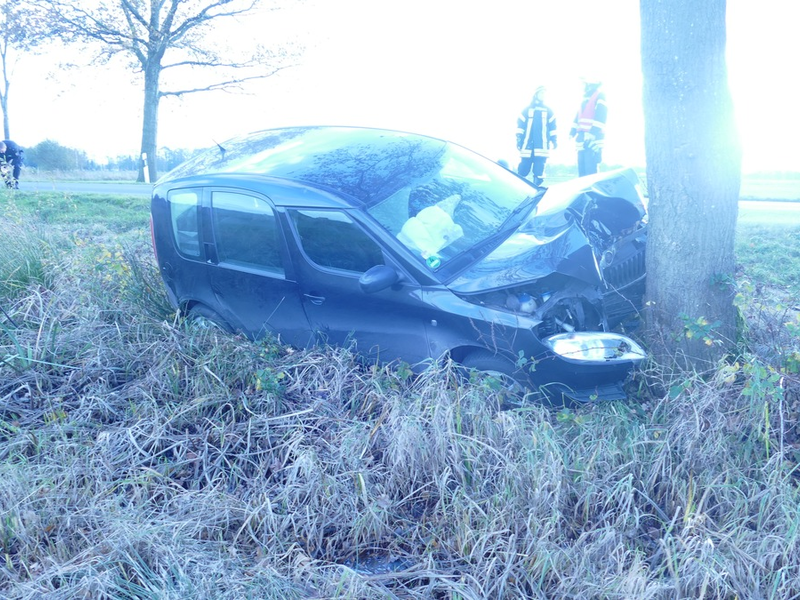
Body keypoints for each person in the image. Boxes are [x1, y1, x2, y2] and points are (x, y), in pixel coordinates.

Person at [515, 86, 557, 187]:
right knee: (523, 169)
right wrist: (519, 139)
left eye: (544, 93)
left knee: (539, 171)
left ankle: (536, 190)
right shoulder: (527, 110)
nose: (543, 95)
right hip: (527, 145)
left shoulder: (549, 111)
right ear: (536, 94)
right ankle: (519, 189)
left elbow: (553, 127)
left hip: (541, 147)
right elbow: (520, 125)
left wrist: (554, 140)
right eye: (541, 93)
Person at [569, 78, 608, 176]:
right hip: (582, 138)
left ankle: (591, 191)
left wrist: (592, 133)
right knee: (582, 168)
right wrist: (572, 131)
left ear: (590, 84)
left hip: (593, 138)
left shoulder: (600, 96)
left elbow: (601, 115)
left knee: (590, 169)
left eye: (584, 84)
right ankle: (583, 190)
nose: (582, 86)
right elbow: (578, 116)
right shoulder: (585, 99)